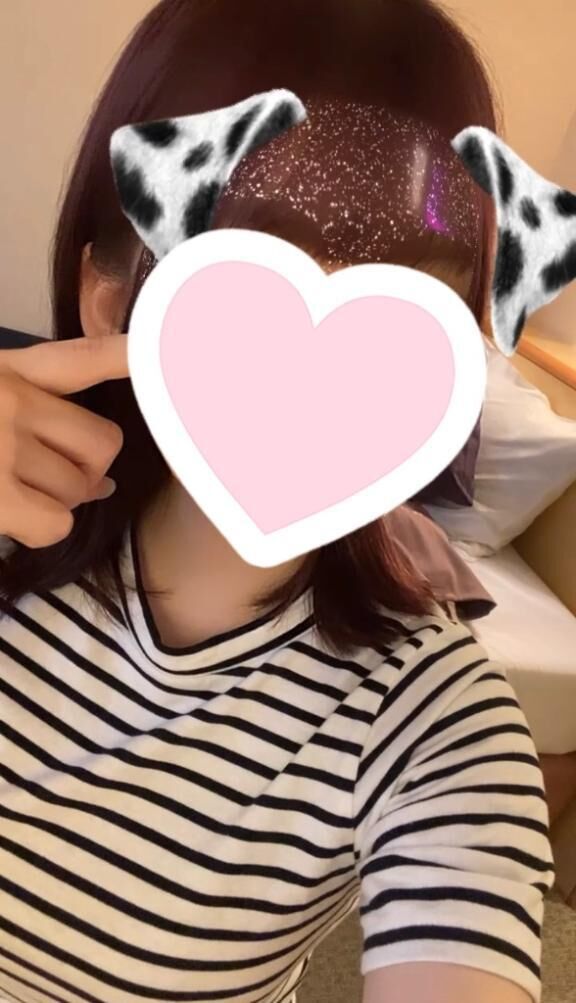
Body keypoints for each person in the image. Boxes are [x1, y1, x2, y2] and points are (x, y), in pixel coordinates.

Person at [0, 2, 554, 1002]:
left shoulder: (439, 727)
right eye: (256, 267)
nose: (326, 368)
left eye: (408, 298)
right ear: (113, 298)